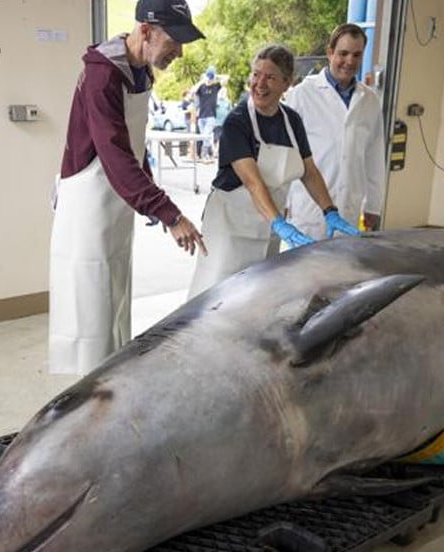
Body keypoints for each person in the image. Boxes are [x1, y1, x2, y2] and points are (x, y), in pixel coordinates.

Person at [49, 0, 208, 375]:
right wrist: (168, 212)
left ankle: (109, 382)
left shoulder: (141, 72)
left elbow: (133, 145)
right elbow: (116, 155)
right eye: (175, 41)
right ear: (147, 32)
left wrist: (149, 190)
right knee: (90, 308)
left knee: (114, 298)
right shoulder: (104, 74)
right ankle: (87, 397)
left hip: (114, 201)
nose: (179, 52)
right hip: (89, 203)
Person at [187, 44, 359, 299]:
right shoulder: (237, 121)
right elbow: (252, 181)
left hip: (267, 228)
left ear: (286, 83)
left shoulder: (292, 121)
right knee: (216, 297)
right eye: (256, 74)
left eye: (270, 77)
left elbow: (309, 171)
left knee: (256, 298)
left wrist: (330, 211)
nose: (260, 83)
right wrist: (281, 224)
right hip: (231, 227)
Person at [285, 23, 387, 239]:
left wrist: (373, 205)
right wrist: (283, 202)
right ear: (330, 53)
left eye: (356, 55)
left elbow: (374, 156)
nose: (349, 61)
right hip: (308, 209)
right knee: (306, 270)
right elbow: (286, 153)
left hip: (349, 207)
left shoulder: (369, 100)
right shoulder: (302, 95)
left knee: (343, 270)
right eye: (343, 53)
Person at [192, 66, 222, 161]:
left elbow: (226, 79)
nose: (209, 79)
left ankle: (204, 154)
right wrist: (202, 81)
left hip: (211, 116)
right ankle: (210, 154)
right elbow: (192, 91)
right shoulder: (201, 87)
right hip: (201, 116)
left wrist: (216, 76)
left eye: (211, 77)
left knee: (206, 135)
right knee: (206, 137)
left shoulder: (215, 87)